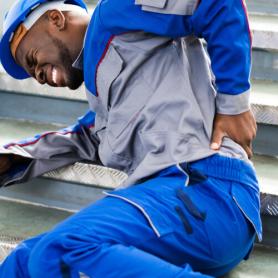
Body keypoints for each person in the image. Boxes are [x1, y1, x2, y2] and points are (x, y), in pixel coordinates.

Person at [0, 0, 261, 277]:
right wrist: (11, 158)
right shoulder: (103, 107)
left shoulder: (114, 13)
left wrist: (234, 105)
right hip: (171, 214)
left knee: (62, 249)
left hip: (208, 190)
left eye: (31, 59)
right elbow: (79, 138)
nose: (37, 76)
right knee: (23, 261)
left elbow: (217, 4)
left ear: (56, 19)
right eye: (31, 75)